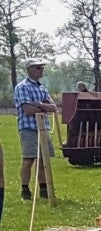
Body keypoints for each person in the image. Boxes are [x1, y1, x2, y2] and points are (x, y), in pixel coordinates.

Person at [14, 58, 56, 202]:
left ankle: (44, 190)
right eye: (38, 67)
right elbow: (27, 110)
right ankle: (25, 189)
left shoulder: (42, 88)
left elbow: (53, 107)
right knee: (28, 160)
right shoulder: (22, 87)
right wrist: (43, 107)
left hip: (43, 128)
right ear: (30, 70)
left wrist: (38, 105)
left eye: (42, 67)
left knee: (43, 160)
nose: (41, 70)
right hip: (29, 128)